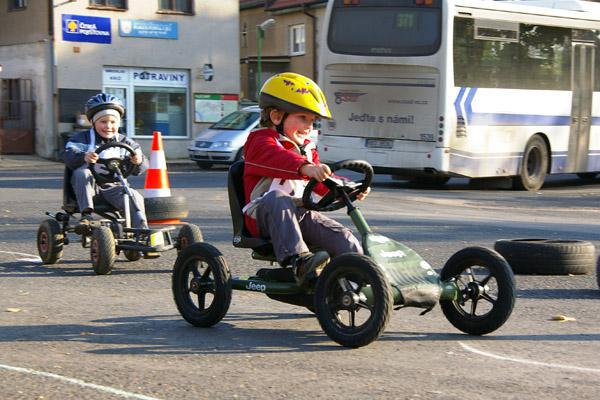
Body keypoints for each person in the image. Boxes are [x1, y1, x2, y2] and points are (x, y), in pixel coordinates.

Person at [242, 72, 370, 286]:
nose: (309, 126)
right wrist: (305, 167)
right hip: (263, 216)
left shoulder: (307, 149)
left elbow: (322, 181)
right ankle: (300, 262)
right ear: (276, 116)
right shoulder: (260, 141)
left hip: (299, 214)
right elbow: (278, 158)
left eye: (313, 121)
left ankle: (362, 279)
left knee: (342, 236)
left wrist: (347, 189)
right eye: (303, 117)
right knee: (277, 197)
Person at [64, 93, 148, 231]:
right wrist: (83, 156)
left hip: (113, 186)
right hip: (89, 187)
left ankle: (141, 230)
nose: (108, 126)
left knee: (134, 195)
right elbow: (67, 155)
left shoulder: (125, 142)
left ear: (118, 123)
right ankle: (87, 216)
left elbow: (140, 168)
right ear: (93, 122)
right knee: (83, 173)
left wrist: (138, 161)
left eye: (113, 122)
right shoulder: (81, 139)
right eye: (103, 122)